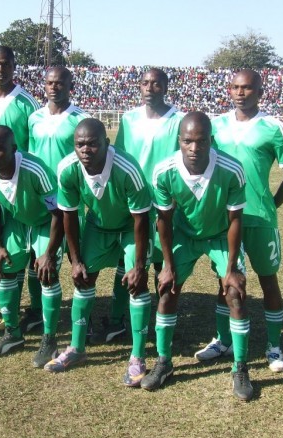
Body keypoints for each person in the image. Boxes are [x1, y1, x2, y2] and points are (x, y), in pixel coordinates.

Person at [200, 69, 283, 372]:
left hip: (260, 219)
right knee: (225, 280)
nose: (240, 92)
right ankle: (223, 340)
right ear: (229, 91)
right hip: (224, 219)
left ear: (260, 92)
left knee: (268, 280)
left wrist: (271, 203)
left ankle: (273, 346)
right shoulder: (215, 126)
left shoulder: (273, 128)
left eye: (247, 88)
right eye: (235, 87)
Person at [148, 112, 252, 401]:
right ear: (179, 141)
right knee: (167, 290)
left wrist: (230, 268)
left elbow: (235, 220)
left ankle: (240, 367)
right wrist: (167, 266)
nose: (194, 148)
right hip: (184, 235)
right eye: (188, 141)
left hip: (220, 234)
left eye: (202, 141)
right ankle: (164, 362)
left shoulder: (231, 169)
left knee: (235, 291)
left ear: (211, 140)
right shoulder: (164, 171)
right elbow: (164, 222)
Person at [44, 118, 153, 388]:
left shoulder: (128, 169)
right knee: (83, 279)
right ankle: (77, 348)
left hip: (130, 227)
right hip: (98, 227)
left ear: (106, 142)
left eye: (93, 144)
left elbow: (141, 219)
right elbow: (69, 215)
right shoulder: (67, 169)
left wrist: (139, 266)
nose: (86, 150)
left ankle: (138, 356)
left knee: (137, 285)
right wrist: (76, 260)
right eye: (80, 144)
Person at [96, 68, 184, 345]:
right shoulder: (129, 118)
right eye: (145, 83)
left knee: (162, 260)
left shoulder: (179, 120)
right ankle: (117, 318)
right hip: (132, 201)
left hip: (164, 201)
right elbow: (117, 155)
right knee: (130, 259)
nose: (150, 88)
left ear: (166, 87)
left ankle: (163, 319)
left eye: (156, 83)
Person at [0, 125, 64, 362]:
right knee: (4, 268)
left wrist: (49, 252)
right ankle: (12, 334)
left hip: (46, 222)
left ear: (14, 149)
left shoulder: (35, 170)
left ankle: (49, 339)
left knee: (47, 273)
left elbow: (59, 212)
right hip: (17, 222)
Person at [0, 45, 42, 330]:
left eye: (6, 64)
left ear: (15, 67)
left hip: (21, 185)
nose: (1, 69)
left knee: (29, 248)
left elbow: (34, 144)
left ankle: (36, 309)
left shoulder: (26, 102)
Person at [27, 66, 90, 341]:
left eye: (60, 83)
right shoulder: (34, 118)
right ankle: (37, 310)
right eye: (50, 83)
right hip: (40, 196)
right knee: (37, 255)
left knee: (78, 257)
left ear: (70, 86)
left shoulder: (81, 118)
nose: (54, 87)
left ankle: (81, 319)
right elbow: (29, 153)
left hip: (71, 197)